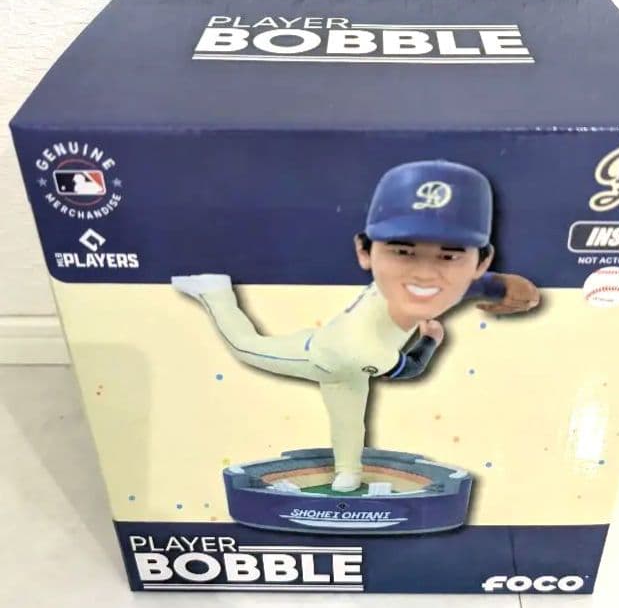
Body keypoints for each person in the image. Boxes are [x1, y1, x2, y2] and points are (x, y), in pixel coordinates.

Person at [172, 160, 539, 492]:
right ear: (366, 252)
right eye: (403, 252)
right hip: (324, 356)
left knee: (348, 422)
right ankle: (215, 291)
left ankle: (348, 473)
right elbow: (411, 368)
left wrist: (499, 285)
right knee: (244, 345)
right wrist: (430, 340)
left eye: (448, 255)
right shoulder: (364, 346)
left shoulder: (407, 284)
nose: (426, 273)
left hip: (348, 361)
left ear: (480, 261)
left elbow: (452, 286)